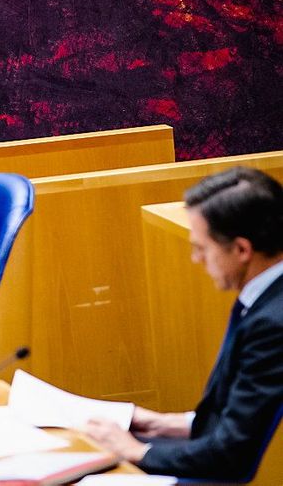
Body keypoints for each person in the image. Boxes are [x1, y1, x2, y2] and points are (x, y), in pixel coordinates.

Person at [86, 167, 283, 481]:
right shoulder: (265, 295)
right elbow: (237, 420)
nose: (195, 259)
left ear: (242, 250)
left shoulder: (273, 323)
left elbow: (233, 455)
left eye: (202, 248)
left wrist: (137, 451)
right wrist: (163, 424)